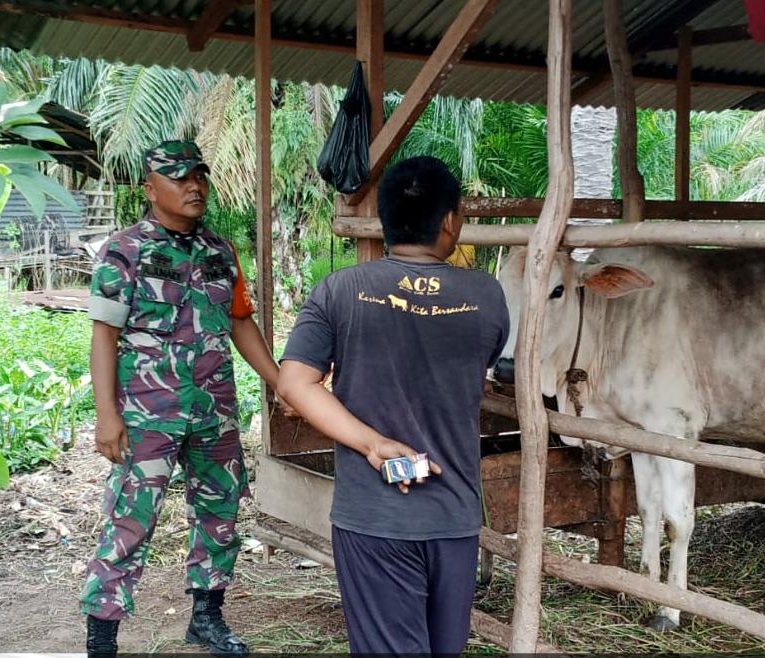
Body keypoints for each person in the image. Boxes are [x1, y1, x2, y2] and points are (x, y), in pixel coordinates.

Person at [276, 156, 510, 654]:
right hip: (453, 517)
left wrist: (374, 442)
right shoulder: (487, 295)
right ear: (450, 221)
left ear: (384, 220)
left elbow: (293, 385)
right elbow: (482, 361)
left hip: (374, 518)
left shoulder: (339, 291)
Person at [80, 139, 283, 657]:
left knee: (220, 513)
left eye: (200, 176)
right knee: (131, 520)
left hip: (214, 412)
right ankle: (102, 637)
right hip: (148, 417)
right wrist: (107, 415)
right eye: (179, 178)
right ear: (150, 188)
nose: (194, 186)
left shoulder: (220, 250)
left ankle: (207, 618)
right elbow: (104, 334)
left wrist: (281, 383)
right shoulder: (125, 250)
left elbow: (240, 322)